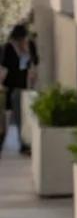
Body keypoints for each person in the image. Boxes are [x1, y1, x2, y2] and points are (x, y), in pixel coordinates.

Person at [0, 23, 39, 155]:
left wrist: (28, 51)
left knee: (27, 115)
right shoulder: (8, 48)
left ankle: (26, 143)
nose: (23, 40)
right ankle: (22, 143)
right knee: (17, 116)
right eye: (22, 38)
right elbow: (5, 67)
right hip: (13, 86)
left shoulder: (30, 46)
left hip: (27, 86)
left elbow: (36, 61)